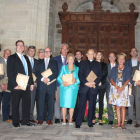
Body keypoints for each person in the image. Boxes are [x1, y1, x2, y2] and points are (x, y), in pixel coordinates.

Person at [7, 40, 34, 127]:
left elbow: (29, 72)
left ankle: (25, 121)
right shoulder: (11, 58)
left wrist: (31, 84)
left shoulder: (26, 58)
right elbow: (10, 73)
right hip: (17, 85)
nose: (20, 47)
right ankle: (15, 122)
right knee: (16, 103)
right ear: (16, 47)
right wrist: (15, 85)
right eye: (19, 45)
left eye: (22, 45)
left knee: (27, 103)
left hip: (26, 84)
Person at [75, 49, 103, 128]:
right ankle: (78, 122)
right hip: (84, 87)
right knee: (81, 105)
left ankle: (90, 122)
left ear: (94, 55)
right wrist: (86, 83)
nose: (90, 55)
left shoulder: (98, 64)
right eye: (89, 54)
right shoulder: (82, 63)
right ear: (86, 55)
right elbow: (80, 74)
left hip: (93, 87)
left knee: (92, 105)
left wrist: (94, 82)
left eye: (92, 54)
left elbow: (100, 75)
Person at [35, 47, 58, 125]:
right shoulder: (38, 62)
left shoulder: (54, 62)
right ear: (43, 53)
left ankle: (49, 119)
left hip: (50, 85)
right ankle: (40, 118)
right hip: (41, 85)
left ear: (51, 53)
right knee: (40, 102)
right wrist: (42, 78)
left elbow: (56, 72)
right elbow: (36, 72)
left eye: (48, 51)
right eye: (45, 51)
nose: (47, 53)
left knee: (51, 102)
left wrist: (48, 79)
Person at [109, 53, 131, 129]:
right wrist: (117, 86)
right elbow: (111, 79)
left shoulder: (127, 68)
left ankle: (122, 123)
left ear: (124, 60)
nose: (121, 60)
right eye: (119, 59)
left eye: (122, 59)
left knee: (123, 106)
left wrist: (122, 87)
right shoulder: (114, 68)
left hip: (124, 88)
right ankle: (118, 123)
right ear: (117, 60)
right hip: (115, 88)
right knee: (117, 106)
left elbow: (128, 78)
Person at [57, 53, 80, 125]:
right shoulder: (64, 67)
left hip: (73, 89)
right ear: (67, 60)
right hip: (65, 88)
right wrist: (63, 82)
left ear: (74, 60)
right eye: (69, 59)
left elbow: (79, 79)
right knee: (64, 104)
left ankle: (70, 119)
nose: (70, 60)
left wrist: (76, 81)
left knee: (72, 105)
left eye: (72, 59)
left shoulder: (77, 68)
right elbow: (58, 78)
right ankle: (64, 119)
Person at [53, 43, 69, 123]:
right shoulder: (55, 59)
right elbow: (54, 72)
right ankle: (57, 116)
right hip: (58, 83)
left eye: (66, 49)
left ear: (68, 50)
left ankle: (64, 116)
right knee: (58, 100)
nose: (65, 50)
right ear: (60, 50)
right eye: (63, 49)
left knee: (65, 100)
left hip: (68, 85)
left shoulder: (70, 59)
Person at [92, 51, 107, 125]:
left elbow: (105, 74)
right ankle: (93, 118)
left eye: (100, 55)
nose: (98, 56)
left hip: (102, 85)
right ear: (95, 56)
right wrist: (95, 82)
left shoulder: (104, 65)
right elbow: (91, 74)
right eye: (97, 55)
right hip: (94, 84)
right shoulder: (92, 64)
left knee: (101, 101)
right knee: (93, 101)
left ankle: (100, 118)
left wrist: (101, 82)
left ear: (102, 56)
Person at [125, 48, 138, 125]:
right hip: (130, 84)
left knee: (138, 102)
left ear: (136, 53)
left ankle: (137, 119)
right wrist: (129, 82)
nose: (133, 52)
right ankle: (130, 118)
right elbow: (126, 72)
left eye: (134, 51)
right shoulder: (127, 62)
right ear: (130, 53)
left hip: (138, 84)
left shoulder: (139, 61)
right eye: (132, 51)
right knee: (130, 101)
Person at [106, 53, 117, 125]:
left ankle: (119, 118)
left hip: (118, 87)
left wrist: (116, 85)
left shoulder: (119, 66)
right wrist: (110, 83)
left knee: (119, 103)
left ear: (115, 58)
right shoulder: (106, 66)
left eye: (113, 56)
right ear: (108, 58)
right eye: (110, 56)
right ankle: (111, 119)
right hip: (109, 86)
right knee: (109, 103)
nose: (111, 57)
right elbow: (105, 76)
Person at [0, 49, 11, 122]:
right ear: (4, 54)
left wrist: (8, 84)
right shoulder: (0, 61)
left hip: (8, 85)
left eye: (9, 53)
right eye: (6, 53)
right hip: (0, 85)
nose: (7, 54)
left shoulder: (11, 63)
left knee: (6, 102)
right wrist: (1, 84)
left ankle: (6, 117)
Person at [28, 46, 38, 123]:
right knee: (23, 101)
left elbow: (38, 73)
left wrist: (36, 81)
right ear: (28, 51)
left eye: (33, 51)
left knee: (31, 101)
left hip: (34, 84)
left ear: (35, 52)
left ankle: (31, 117)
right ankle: (22, 116)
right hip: (25, 83)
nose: (32, 52)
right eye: (30, 51)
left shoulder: (36, 61)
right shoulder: (24, 60)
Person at [131, 54, 140, 127]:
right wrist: (135, 82)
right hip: (137, 89)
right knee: (137, 106)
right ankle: (138, 122)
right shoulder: (134, 68)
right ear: (138, 59)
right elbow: (131, 77)